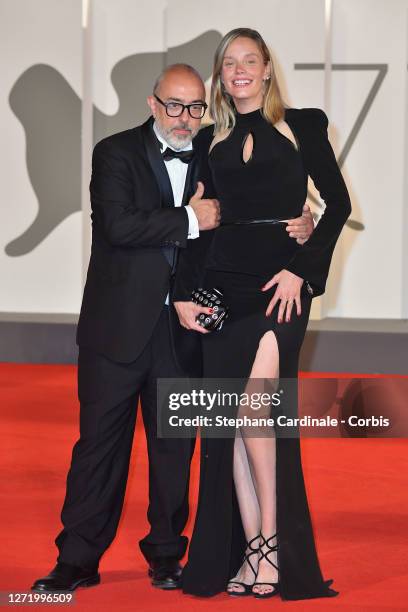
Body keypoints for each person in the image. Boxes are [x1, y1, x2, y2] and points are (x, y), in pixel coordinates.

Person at [31, 62, 315, 594]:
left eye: (194, 107)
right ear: (151, 102)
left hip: (191, 329)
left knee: (175, 448)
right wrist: (191, 218)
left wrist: (303, 221)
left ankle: (166, 554)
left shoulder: (216, 149)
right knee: (98, 446)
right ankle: (76, 558)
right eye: (174, 105)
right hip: (115, 329)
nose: (184, 118)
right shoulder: (114, 153)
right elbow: (117, 224)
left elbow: (261, 205)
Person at [173, 28, 351, 600]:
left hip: (282, 288)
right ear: (220, 75)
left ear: (268, 69)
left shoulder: (305, 125)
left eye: (251, 60)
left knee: (256, 410)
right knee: (228, 426)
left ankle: (272, 549)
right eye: (230, 62)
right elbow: (199, 226)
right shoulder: (209, 139)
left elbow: (338, 204)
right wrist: (185, 292)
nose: (240, 69)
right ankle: (254, 554)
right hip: (224, 288)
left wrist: (304, 269)